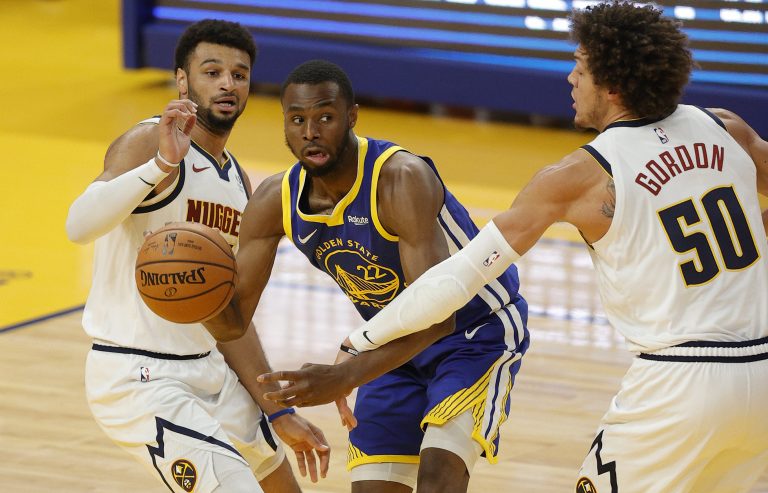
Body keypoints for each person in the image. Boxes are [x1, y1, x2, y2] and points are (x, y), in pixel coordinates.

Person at [259, 2, 768, 492]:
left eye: (580, 68)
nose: (571, 79)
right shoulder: (727, 128)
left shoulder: (578, 175)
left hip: (679, 381)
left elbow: (455, 281)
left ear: (612, 86)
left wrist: (356, 347)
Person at [203, 59, 529, 493]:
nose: (310, 132)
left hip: (472, 333)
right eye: (297, 120)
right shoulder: (273, 199)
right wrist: (190, 291)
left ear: (352, 116)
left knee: (439, 477)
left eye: (325, 117)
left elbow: (438, 316)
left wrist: (346, 374)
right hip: (391, 344)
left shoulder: (400, 179)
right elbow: (232, 323)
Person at [65, 19, 329, 493]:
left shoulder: (237, 181)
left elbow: (229, 317)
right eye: (212, 72)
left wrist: (278, 410)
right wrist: (161, 164)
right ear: (182, 81)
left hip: (208, 370)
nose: (228, 83)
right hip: (139, 375)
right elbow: (78, 225)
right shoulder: (150, 141)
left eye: (239, 74)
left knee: (282, 486)